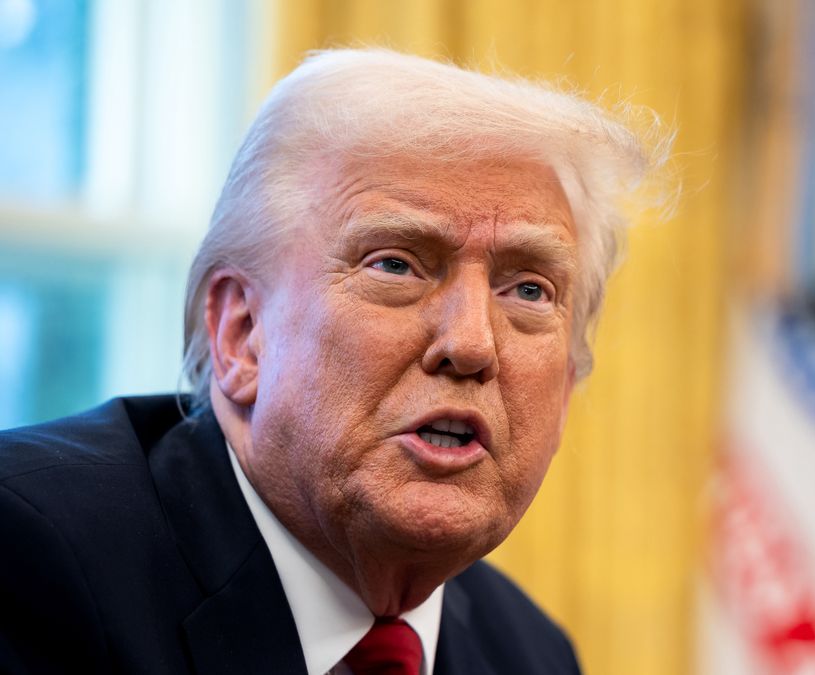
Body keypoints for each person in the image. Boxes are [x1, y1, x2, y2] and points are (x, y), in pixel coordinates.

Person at [0, 49, 668, 675]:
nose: (471, 344)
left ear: (568, 389)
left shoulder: (529, 653)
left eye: (529, 290)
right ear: (242, 333)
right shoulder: (29, 552)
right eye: (397, 265)